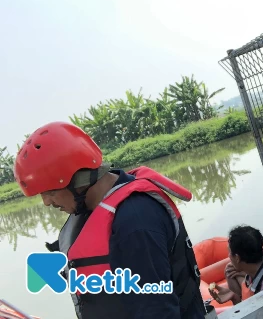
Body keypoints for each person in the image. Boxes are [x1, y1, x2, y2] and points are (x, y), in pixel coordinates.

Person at [12, 121, 205, 319]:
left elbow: (157, 311)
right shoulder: (94, 208)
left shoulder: (135, 221)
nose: (46, 202)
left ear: (79, 179)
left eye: (50, 192)